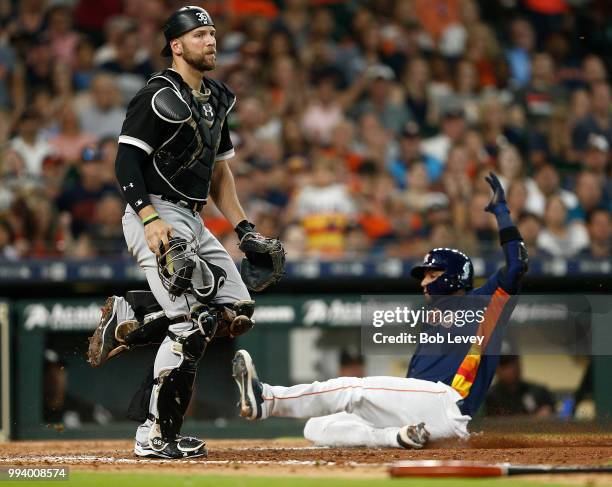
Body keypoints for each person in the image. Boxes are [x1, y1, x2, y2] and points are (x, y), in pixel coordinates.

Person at [86, 6, 283, 460]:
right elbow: (125, 162)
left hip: (193, 216)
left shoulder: (215, 98)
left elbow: (219, 175)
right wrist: (150, 220)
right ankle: (154, 435)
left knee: (235, 310)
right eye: (199, 35)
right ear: (176, 46)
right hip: (156, 211)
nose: (210, 41)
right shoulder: (157, 95)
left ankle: (132, 316)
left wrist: (244, 229)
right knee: (192, 324)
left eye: (212, 33)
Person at [232, 172, 528, 449]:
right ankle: (397, 438)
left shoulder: (484, 304)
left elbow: (517, 264)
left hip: (447, 404)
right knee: (317, 427)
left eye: (431, 275)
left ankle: (268, 399)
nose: (424, 282)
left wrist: (502, 213)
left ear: (454, 277)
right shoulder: (432, 319)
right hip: (417, 408)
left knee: (351, 390)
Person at [485, 355, 555, 417]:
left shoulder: (539, 392)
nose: (511, 369)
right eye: (505, 365)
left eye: (513, 363)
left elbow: (556, 414)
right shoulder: (489, 397)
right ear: (496, 369)